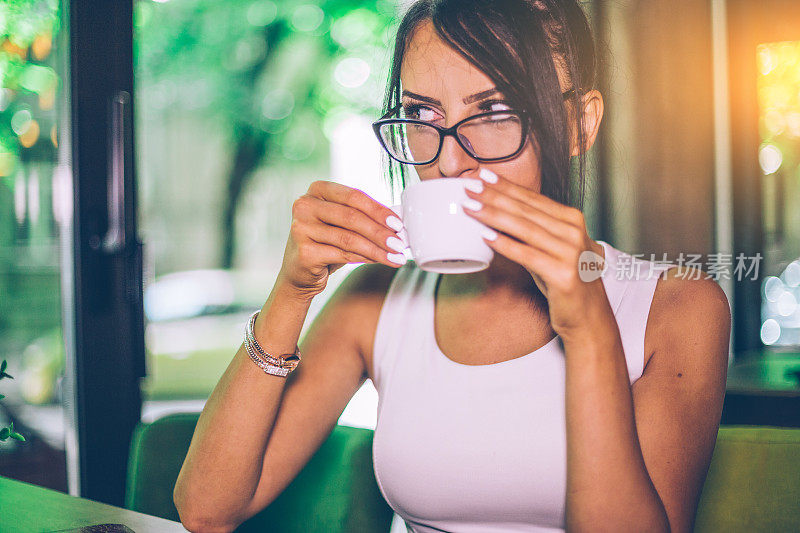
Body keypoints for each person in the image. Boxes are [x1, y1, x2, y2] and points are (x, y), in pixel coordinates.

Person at [173, 0, 731, 531]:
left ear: (581, 126)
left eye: (493, 110)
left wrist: (588, 331)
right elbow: (208, 509)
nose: (450, 160)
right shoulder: (378, 297)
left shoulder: (677, 307)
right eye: (420, 114)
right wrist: (291, 293)